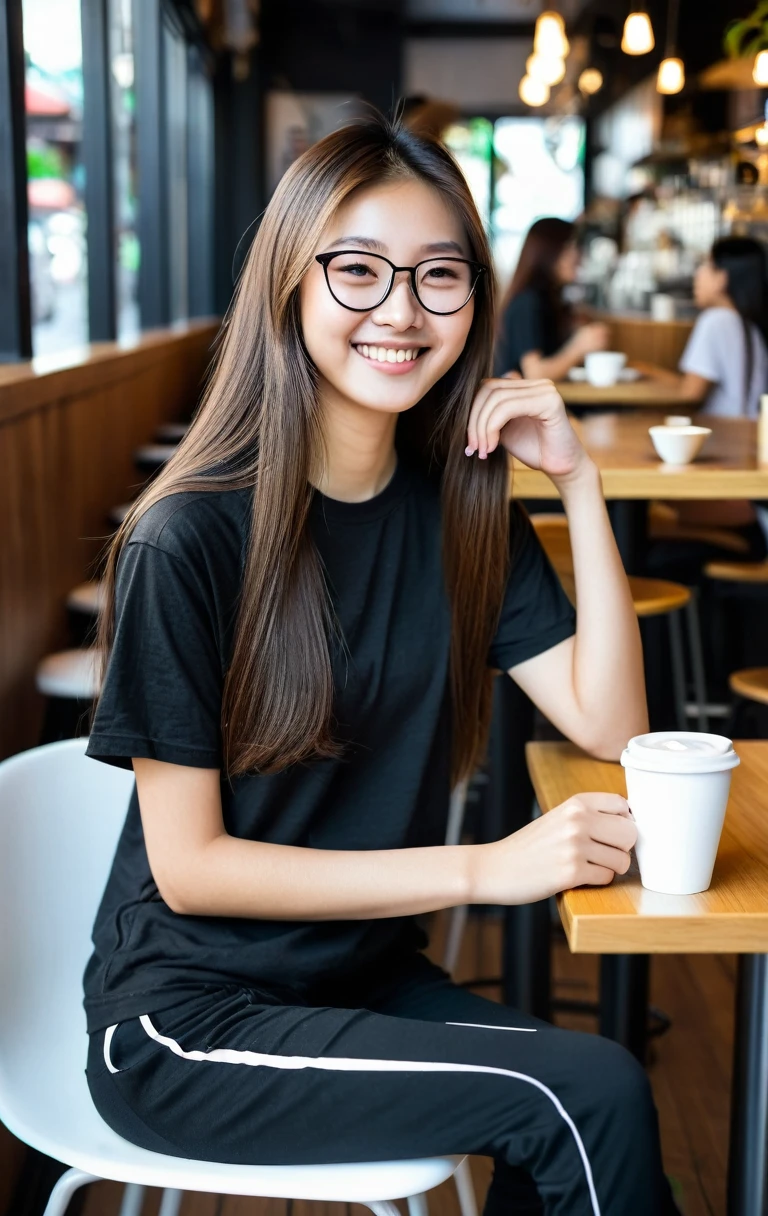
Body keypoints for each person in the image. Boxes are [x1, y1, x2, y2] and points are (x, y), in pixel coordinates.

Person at [83, 113, 677, 1215]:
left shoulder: (463, 511)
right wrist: (481, 868)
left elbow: (607, 719)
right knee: (579, 1097)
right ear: (290, 284)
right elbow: (192, 868)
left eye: (438, 277)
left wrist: (582, 485)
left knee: (600, 1094)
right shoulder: (189, 538)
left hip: (354, 977)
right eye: (357, 270)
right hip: (187, 1018)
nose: (400, 311)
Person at [493, 217, 609, 380]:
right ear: (549, 251)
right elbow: (535, 374)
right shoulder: (527, 301)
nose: (578, 255)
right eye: (570, 246)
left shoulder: (548, 300)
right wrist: (579, 347)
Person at [676, 235, 768, 418]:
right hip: (750, 435)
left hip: (721, 437)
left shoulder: (714, 321)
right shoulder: (753, 327)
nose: (698, 274)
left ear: (721, 278)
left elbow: (690, 395)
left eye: (707, 265)